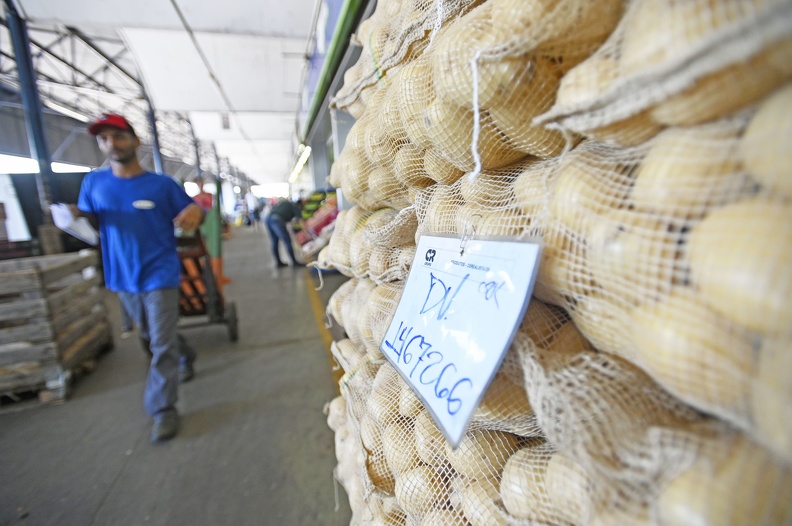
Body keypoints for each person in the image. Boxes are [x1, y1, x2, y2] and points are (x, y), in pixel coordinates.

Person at [75, 113, 205, 442]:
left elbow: (194, 210)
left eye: (118, 136)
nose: (111, 144)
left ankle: (163, 408)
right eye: (104, 139)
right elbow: (85, 220)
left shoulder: (161, 185)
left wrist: (197, 211)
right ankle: (187, 353)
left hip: (160, 271)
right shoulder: (93, 184)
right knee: (150, 335)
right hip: (122, 275)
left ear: (135, 140)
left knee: (160, 343)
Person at [264, 197, 304, 268]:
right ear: (300, 205)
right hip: (276, 220)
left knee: (274, 241)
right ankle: (294, 262)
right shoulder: (296, 207)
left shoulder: (286, 203)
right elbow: (301, 222)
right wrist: (307, 233)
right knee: (287, 240)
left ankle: (278, 262)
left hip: (268, 218)